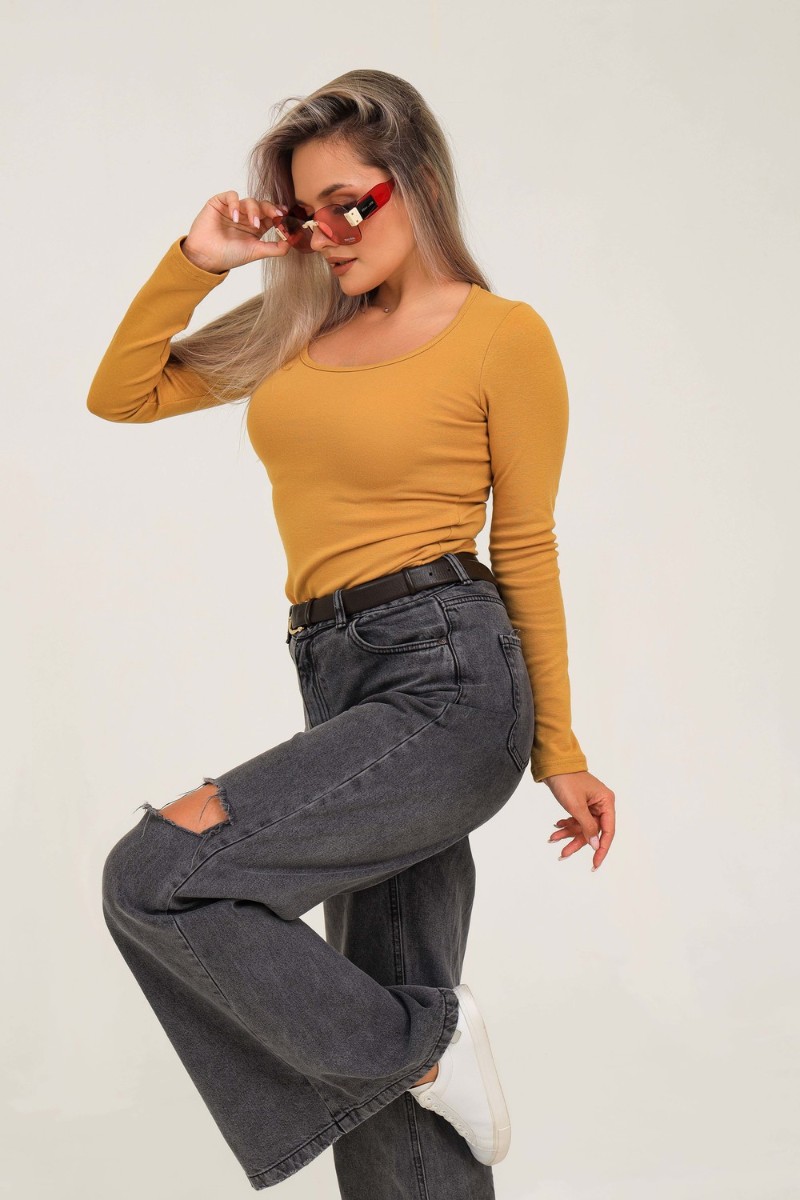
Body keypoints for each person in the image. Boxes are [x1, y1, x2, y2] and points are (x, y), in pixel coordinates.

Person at [89, 68, 616, 1196]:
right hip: (335, 677)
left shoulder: (501, 336)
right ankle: (422, 1053)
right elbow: (123, 393)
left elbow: (526, 545)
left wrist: (559, 750)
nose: (326, 234)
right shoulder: (293, 327)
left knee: (159, 874)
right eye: (304, 213)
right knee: (385, 1016)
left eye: (349, 204)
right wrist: (199, 262)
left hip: (450, 679)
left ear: (417, 182)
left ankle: (422, 1048)